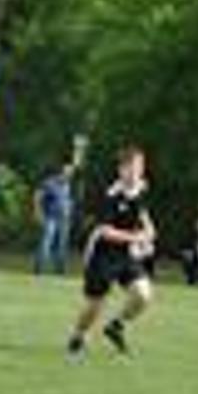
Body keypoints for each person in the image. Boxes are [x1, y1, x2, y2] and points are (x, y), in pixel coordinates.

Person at [65, 147, 157, 361]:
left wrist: (150, 232)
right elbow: (106, 232)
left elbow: (143, 214)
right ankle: (77, 337)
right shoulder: (110, 195)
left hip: (125, 255)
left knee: (143, 295)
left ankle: (116, 326)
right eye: (132, 167)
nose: (136, 172)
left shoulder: (141, 189)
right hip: (103, 255)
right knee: (95, 306)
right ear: (121, 169)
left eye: (140, 167)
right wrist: (136, 238)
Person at [33, 163, 76, 275]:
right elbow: (37, 196)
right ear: (61, 172)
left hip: (64, 219)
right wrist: (38, 213)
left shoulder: (67, 185)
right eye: (67, 172)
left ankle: (60, 269)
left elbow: (67, 199)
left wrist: (69, 209)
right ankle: (39, 268)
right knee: (46, 243)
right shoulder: (49, 183)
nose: (69, 175)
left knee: (62, 245)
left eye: (70, 173)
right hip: (51, 218)